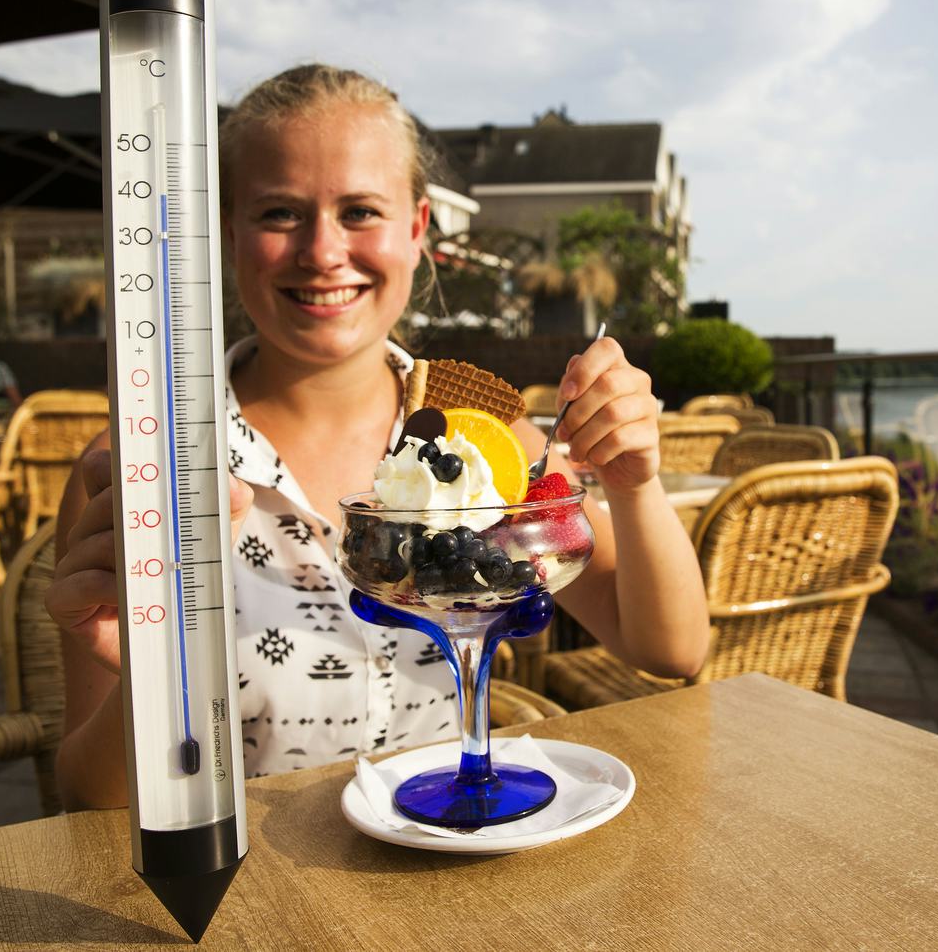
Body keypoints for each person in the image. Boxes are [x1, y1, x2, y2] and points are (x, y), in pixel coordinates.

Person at [48, 65, 710, 808]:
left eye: (360, 210)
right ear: (227, 232)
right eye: (278, 214)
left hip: (447, 875)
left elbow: (670, 648)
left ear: (417, 229)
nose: (323, 251)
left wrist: (636, 482)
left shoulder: (492, 448)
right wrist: (151, 678)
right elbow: (84, 800)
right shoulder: (144, 475)